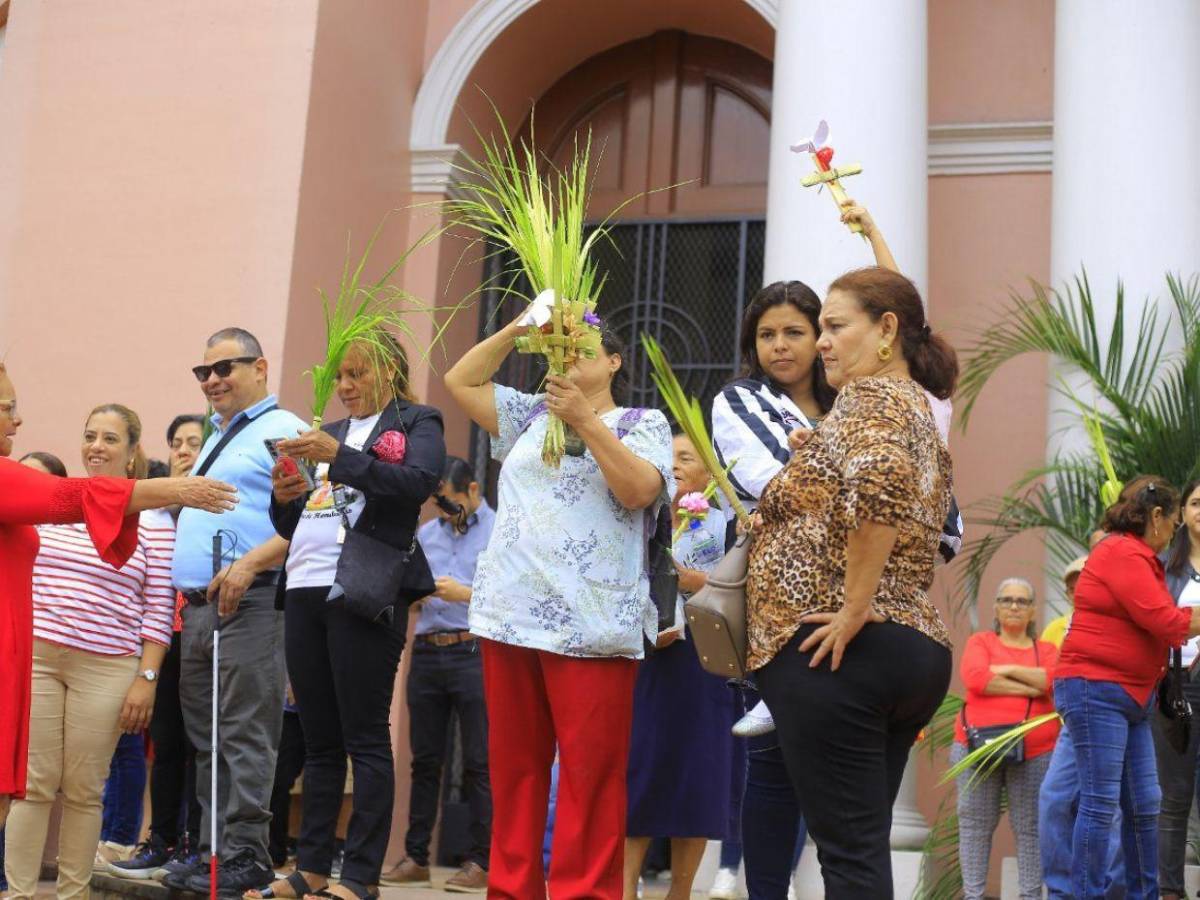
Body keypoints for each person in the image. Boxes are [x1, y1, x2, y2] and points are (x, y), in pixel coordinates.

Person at [445, 319, 674, 899]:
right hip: (510, 615)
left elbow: (638, 491)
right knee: (516, 771)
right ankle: (512, 890)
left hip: (592, 624)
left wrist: (584, 420)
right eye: (560, 351)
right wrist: (523, 325)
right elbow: (460, 379)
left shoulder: (640, 423)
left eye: (583, 351)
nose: (568, 361)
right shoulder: (526, 417)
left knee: (589, 776)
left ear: (615, 362)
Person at [747, 266, 957, 897]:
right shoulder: (913, 405)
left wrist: (852, 609)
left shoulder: (870, 398)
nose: (823, 343)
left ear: (887, 330)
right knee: (859, 852)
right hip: (902, 646)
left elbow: (883, 489)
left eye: (836, 327)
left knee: (847, 856)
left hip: (841, 649)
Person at [0, 373, 233, 856]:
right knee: (29, 785)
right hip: (34, 657)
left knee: (83, 789)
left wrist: (146, 674)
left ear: (132, 451)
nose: (17, 417)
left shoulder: (147, 522)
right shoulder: (36, 492)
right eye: (7, 406)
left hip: (103, 663)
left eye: (109, 438)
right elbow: (71, 500)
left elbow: (156, 603)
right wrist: (175, 488)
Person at [256, 334, 444, 900]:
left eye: (357, 373)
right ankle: (311, 867)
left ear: (389, 371)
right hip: (307, 585)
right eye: (340, 375)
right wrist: (285, 495)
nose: (344, 386)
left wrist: (341, 459)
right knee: (318, 741)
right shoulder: (329, 434)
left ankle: (360, 875)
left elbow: (417, 484)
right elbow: (294, 523)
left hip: (365, 585)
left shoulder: (417, 421)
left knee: (364, 737)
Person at [163, 328, 308, 897]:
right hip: (199, 608)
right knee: (208, 738)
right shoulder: (216, 436)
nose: (214, 380)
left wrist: (250, 564)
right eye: (204, 373)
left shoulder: (285, 430)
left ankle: (246, 855)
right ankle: (213, 853)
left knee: (245, 732)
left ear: (261, 367)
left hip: (249, 600)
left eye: (225, 367)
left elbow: (317, 517)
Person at [1055, 476, 1200, 899]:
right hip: (1095, 689)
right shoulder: (1121, 552)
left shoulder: (1141, 558)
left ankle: (1145, 895)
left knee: (1144, 805)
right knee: (1100, 804)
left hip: (1132, 697)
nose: (1173, 532)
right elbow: (1168, 621)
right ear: (1156, 516)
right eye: (1174, 523)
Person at [623, 433, 741, 900]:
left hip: (701, 665)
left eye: (686, 457)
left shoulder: (727, 526)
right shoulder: (636, 513)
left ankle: (681, 892)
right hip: (643, 662)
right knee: (639, 773)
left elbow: (744, 590)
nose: (673, 465)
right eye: (668, 456)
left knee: (698, 779)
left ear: (711, 475)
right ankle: (624, 888)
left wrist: (701, 583)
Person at [383, 456, 494, 893]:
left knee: (479, 762)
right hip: (427, 651)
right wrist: (415, 594)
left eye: (451, 502)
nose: (445, 512)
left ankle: (480, 860)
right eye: (438, 504)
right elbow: (404, 598)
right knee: (424, 760)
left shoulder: (500, 530)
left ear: (473, 492)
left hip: (474, 649)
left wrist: (464, 591)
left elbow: (513, 593)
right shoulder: (426, 535)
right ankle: (416, 857)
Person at [110, 413, 207, 881]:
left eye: (194, 442)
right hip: (162, 641)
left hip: (206, 635)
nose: (184, 450)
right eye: (177, 444)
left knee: (199, 745)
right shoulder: (153, 511)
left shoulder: (216, 506)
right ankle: (160, 841)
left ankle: (195, 847)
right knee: (165, 744)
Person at [951, 577, 1059, 900]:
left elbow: (1051, 681)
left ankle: (1029, 896)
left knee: (1030, 829)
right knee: (975, 826)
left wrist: (1001, 670)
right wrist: (1030, 684)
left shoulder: (1047, 649)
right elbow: (975, 677)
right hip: (976, 746)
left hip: (1036, 750)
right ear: (996, 608)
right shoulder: (980, 642)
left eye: (1022, 601)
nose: (1014, 606)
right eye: (1007, 600)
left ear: (1032, 611)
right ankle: (973, 895)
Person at [1037, 535, 1125, 900]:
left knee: (1112, 810)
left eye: (1084, 583)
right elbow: (1049, 674)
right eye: (1072, 586)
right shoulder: (1060, 626)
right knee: (1053, 798)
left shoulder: (1126, 611)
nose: (1078, 591)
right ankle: (1061, 892)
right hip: (1072, 722)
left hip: (1113, 717)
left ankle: (1110, 891)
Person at [1152, 479, 1200, 900]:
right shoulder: (1165, 566)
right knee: (1175, 794)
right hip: (1177, 687)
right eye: (1196, 503)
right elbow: (1157, 622)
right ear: (1182, 512)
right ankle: (1169, 890)